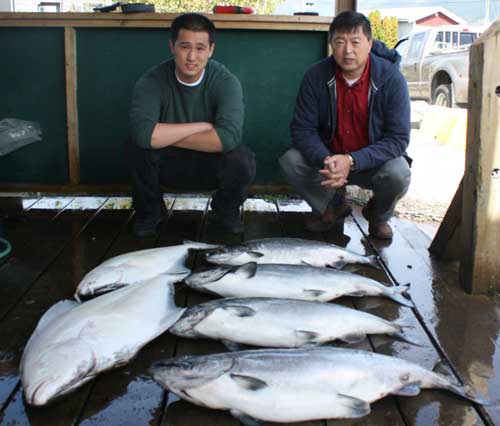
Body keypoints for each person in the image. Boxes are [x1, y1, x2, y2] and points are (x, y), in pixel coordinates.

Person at [280, 11, 411, 240]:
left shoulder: (391, 79)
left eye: (355, 42)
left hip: (372, 162)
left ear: (370, 44)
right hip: (329, 162)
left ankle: (378, 216)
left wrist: (352, 161)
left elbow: (398, 139)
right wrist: (327, 160)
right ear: (331, 44)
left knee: (398, 173)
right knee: (291, 160)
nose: (347, 50)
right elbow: (303, 130)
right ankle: (333, 207)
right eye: (340, 42)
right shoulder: (316, 75)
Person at [127, 12, 255, 238]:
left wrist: (163, 133)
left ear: (211, 50)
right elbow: (143, 135)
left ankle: (225, 211)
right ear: (172, 46)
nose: (192, 56)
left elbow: (228, 138)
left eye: (200, 48)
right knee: (136, 149)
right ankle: (150, 212)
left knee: (242, 158)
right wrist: (201, 126)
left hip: (209, 164)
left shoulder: (225, 81)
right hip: (167, 163)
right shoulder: (152, 80)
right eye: (185, 47)